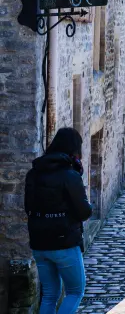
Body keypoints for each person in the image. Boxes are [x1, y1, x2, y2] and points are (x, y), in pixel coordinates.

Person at [25, 127, 93, 314]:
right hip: (64, 242)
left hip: (39, 242)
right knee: (75, 292)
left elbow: (28, 207)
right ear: (74, 149)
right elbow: (84, 212)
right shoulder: (70, 175)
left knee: (49, 295)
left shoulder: (34, 173)